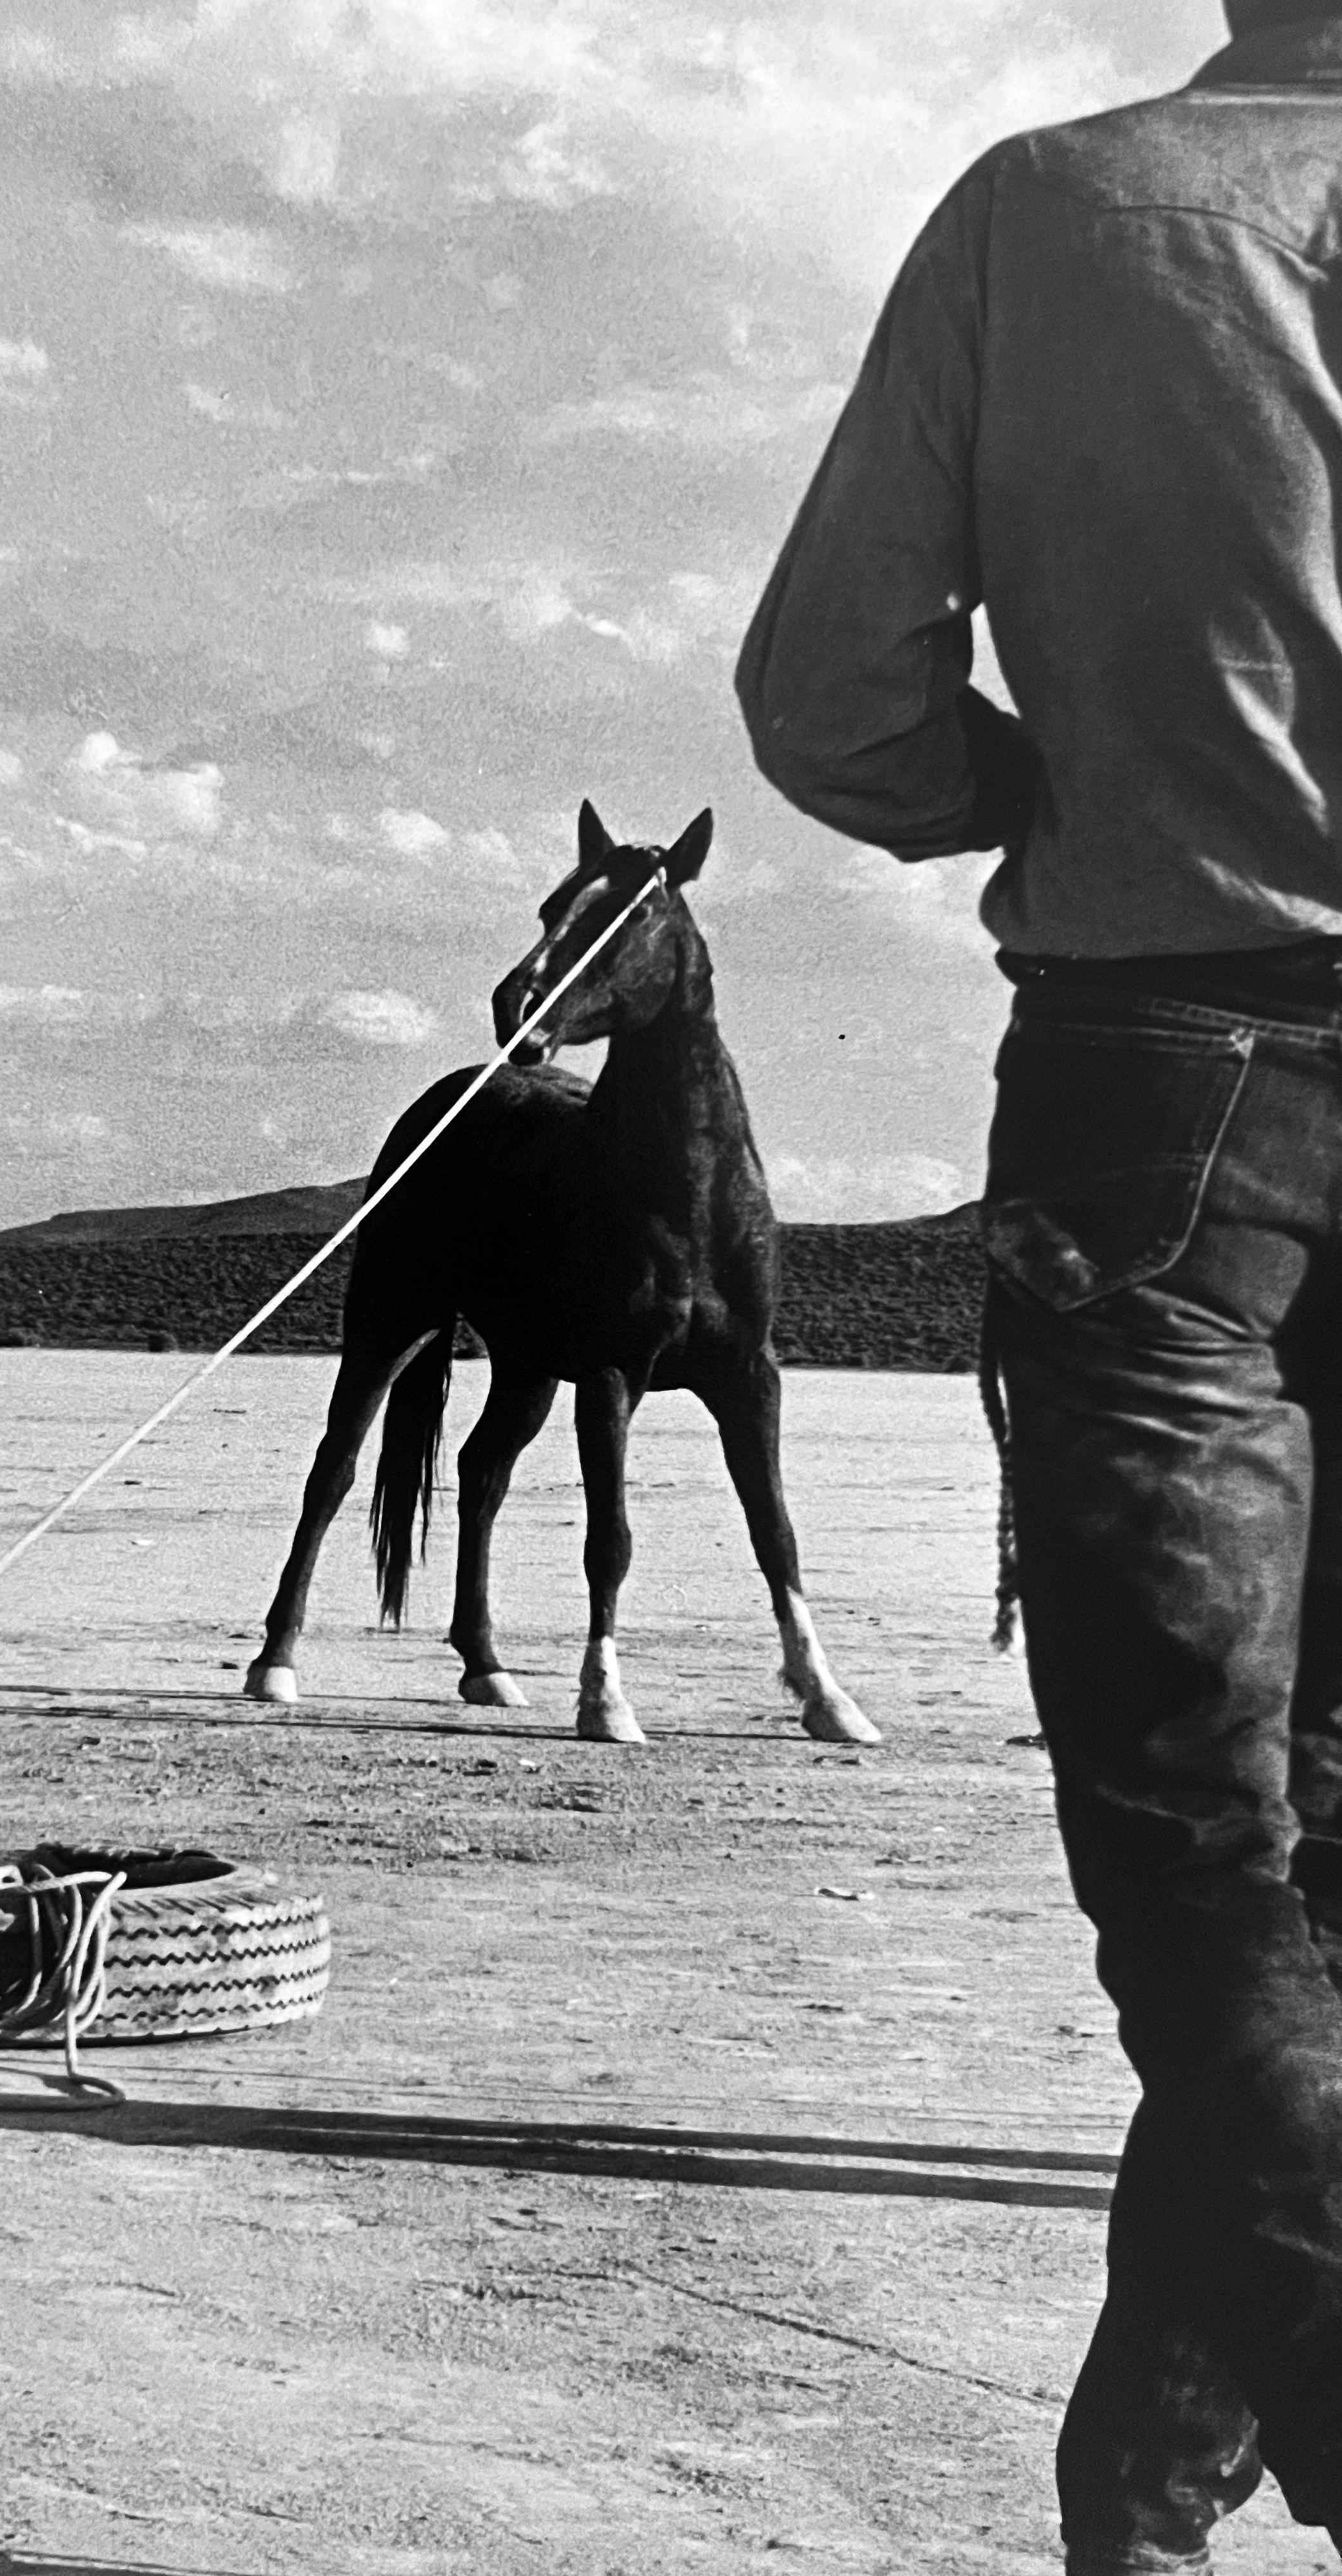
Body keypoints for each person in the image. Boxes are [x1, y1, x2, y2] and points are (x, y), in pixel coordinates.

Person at [735, 6, 1342, 2569]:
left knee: (1205, 1859)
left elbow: (831, 700)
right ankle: (1147, 2512)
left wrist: (1037, 775)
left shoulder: (1053, 209)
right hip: (1182, 1103)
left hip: (1167, 1086)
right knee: (1315, 1870)